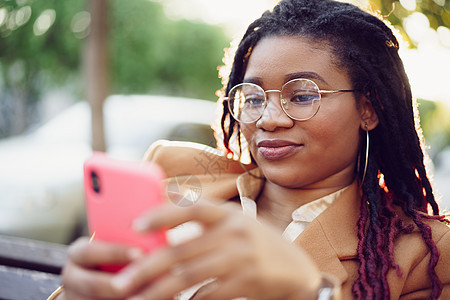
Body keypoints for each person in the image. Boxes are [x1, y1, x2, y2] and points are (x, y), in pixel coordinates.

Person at [53, 0, 450, 299]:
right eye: (254, 97)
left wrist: (308, 293)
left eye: (302, 94)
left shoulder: (424, 255)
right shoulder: (171, 176)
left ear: (368, 108)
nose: (269, 118)